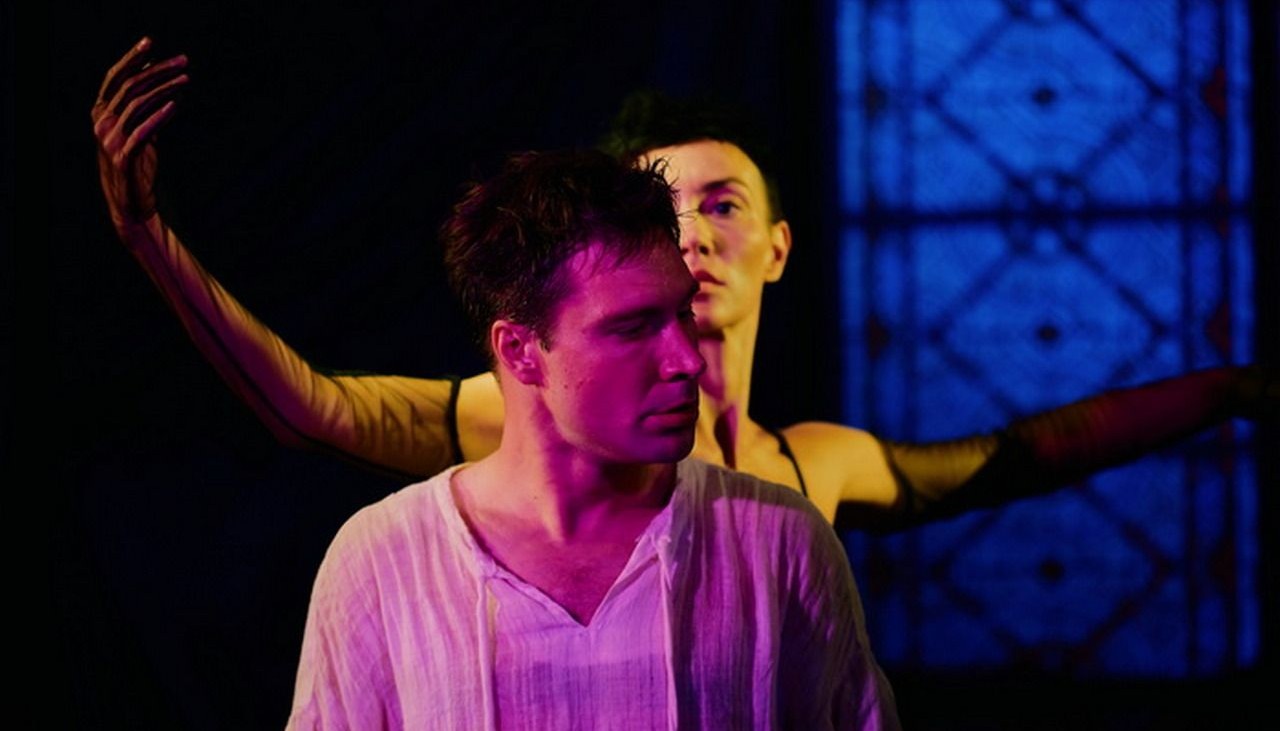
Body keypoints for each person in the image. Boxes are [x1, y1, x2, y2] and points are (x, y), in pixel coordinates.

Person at [92, 38, 1276, 534]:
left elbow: (1021, 454)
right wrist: (149, 237)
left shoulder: (811, 468)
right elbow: (317, 406)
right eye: (664, 209)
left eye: (723, 205)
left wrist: (1229, 388)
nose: (695, 235)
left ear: (777, 246)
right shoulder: (536, 411)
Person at [285, 148, 899, 729]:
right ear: (520, 351)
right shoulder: (384, 561)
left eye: (682, 313)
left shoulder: (778, 543)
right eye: (632, 328)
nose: (687, 359)